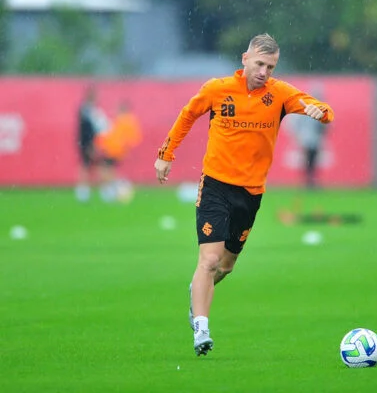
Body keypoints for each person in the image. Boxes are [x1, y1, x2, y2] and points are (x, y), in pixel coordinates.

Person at [154, 33, 334, 357]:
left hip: (250, 194)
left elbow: (322, 109)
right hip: (215, 186)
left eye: (271, 66)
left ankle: (198, 290)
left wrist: (320, 112)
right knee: (208, 260)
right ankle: (202, 328)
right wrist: (166, 155)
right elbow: (187, 116)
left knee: (225, 266)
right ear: (245, 59)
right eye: (260, 63)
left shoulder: (279, 95)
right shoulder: (217, 89)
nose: (265, 71)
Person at [95, 100, 142, 202]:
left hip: (114, 150)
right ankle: (117, 189)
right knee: (107, 170)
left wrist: (123, 147)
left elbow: (127, 137)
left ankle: (119, 189)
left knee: (105, 170)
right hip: (114, 149)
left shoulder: (125, 120)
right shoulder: (125, 120)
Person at [288, 84, 329, 188]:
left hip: (313, 139)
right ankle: (309, 181)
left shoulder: (319, 109)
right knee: (309, 161)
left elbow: (325, 126)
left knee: (312, 161)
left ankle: (310, 181)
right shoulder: (307, 108)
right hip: (308, 139)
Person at [75, 85, 108, 202]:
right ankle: (86, 192)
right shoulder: (86, 110)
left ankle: (85, 192)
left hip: (88, 142)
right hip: (88, 143)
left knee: (89, 166)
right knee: (93, 166)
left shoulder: (89, 109)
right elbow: (86, 129)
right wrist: (90, 144)